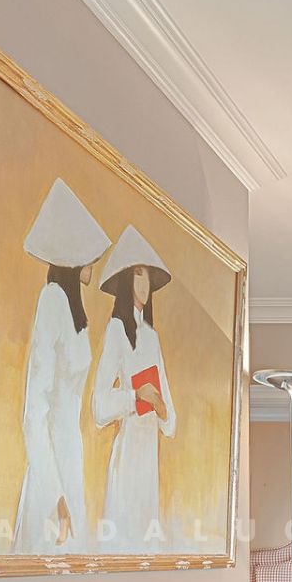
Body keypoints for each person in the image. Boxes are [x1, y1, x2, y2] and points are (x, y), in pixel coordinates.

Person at [14, 179, 111, 553]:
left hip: (71, 454)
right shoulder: (52, 300)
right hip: (51, 464)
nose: (93, 260)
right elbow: (34, 413)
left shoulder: (74, 314)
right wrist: (54, 493)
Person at [90, 225, 176, 552]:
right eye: (137, 274)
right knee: (123, 541)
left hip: (148, 458)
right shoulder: (115, 330)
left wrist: (162, 408)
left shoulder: (152, 337)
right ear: (126, 280)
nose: (144, 283)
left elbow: (170, 420)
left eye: (147, 275)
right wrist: (134, 396)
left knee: (147, 543)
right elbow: (99, 407)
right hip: (127, 455)